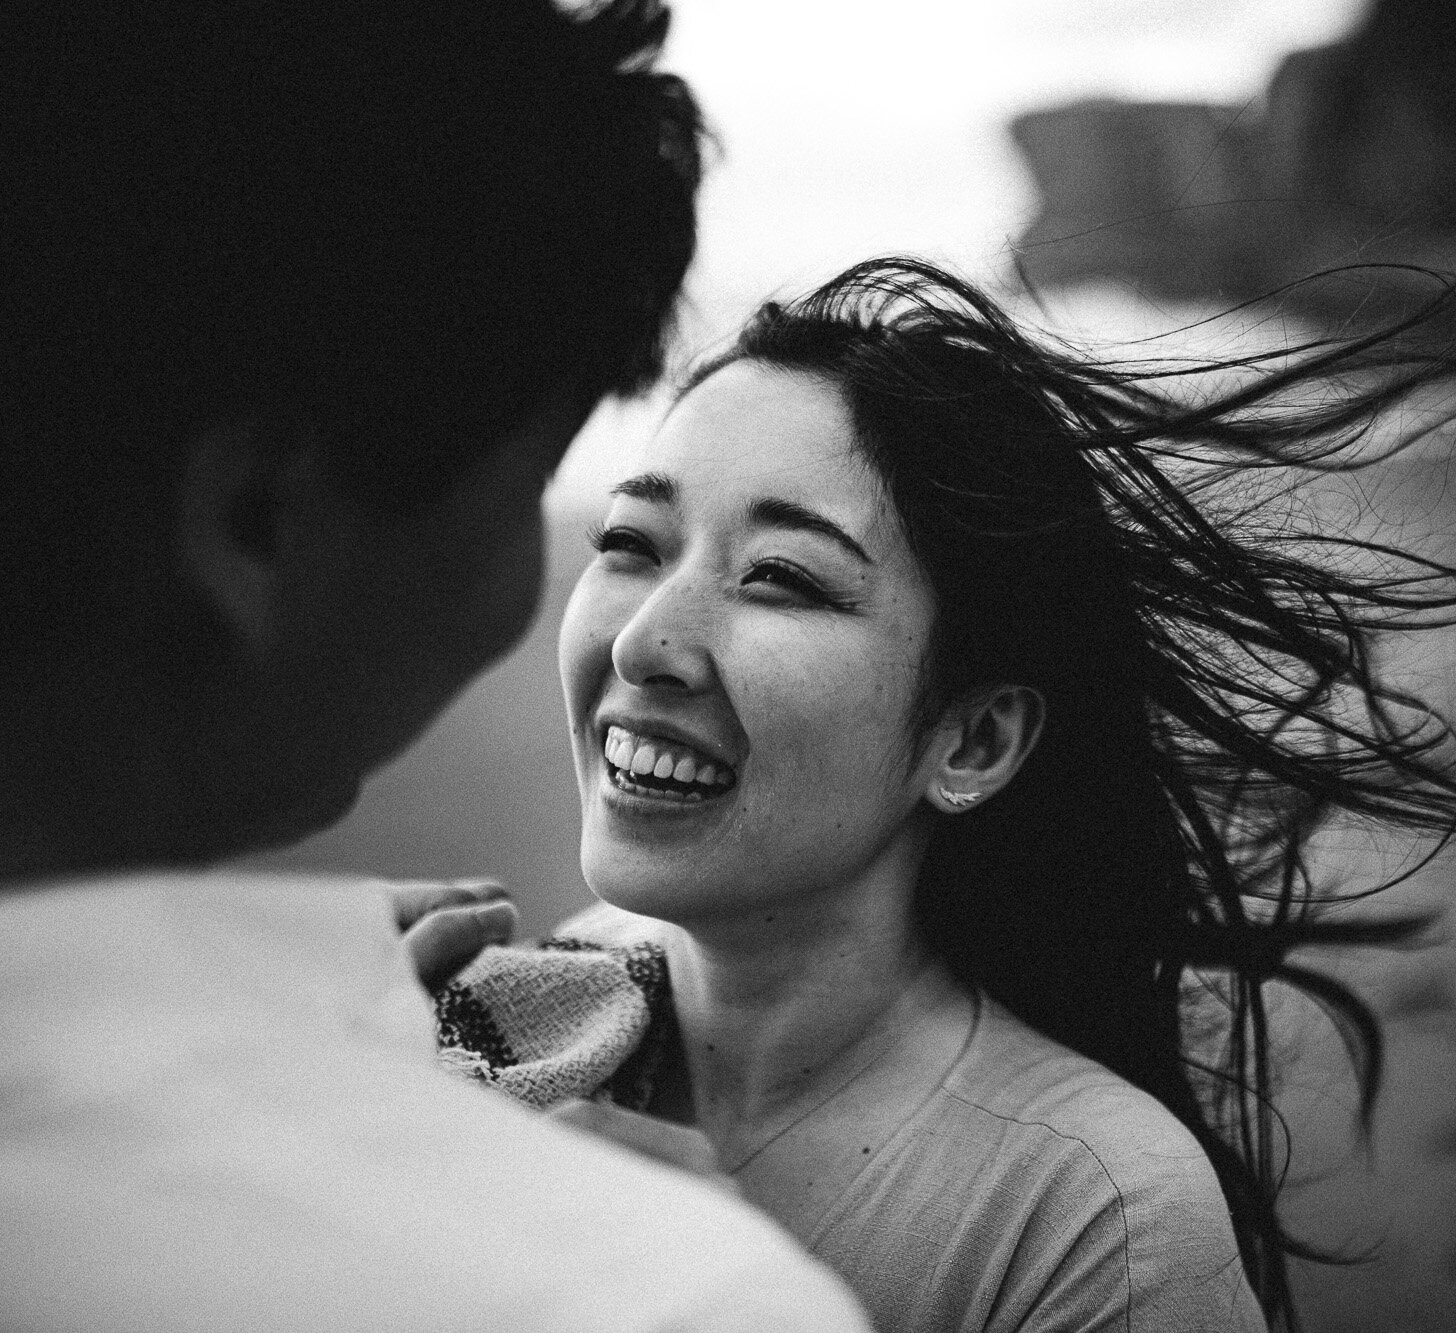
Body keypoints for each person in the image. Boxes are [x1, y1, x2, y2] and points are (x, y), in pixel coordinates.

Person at [431, 257, 1456, 1330]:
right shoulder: (523, 1021)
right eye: (631, 540)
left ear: (972, 739)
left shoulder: (1096, 1216)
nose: (647, 641)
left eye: (784, 578)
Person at [0, 3, 868, 1329]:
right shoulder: (659, 1295)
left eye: (786, 578)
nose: (643, 638)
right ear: (258, 523)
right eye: (552, 486)